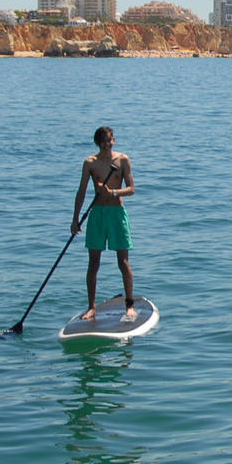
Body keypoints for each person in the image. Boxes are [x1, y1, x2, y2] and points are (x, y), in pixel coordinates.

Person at [72, 126, 135, 321]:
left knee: (123, 262)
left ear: (113, 140)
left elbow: (131, 189)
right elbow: (82, 191)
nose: (107, 144)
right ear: (98, 143)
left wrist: (113, 192)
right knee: (93, 263)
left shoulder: (123, 160)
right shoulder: (90, 163)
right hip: (97, 214)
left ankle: (129, 305)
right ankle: (91, 307)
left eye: (110, 140)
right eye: (103, 141)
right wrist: (75, 219)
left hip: (117, 213)